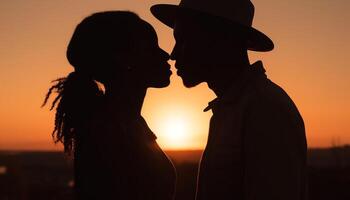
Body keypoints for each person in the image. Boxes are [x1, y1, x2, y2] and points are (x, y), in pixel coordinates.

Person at [151, 0, 307, 199]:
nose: (173, 54)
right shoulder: (237, 107)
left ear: (218, 41)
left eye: (183, 40)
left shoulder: (265, 109)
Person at [43, 11, 176, 199]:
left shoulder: (126, 122)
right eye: (151, 48)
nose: (166, 55)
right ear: (124, 59)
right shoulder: (108, 130)